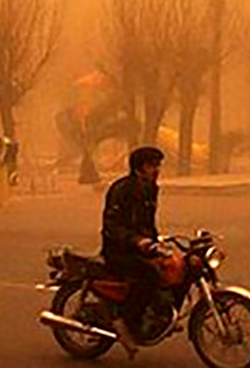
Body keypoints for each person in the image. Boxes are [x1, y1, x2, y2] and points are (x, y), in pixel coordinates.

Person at [100, 145, 164, 357]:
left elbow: (148, 222)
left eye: (158, 165)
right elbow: (112, 225)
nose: (156, 169)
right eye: (152, 165)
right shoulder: (122, 189)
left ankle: (158, 314)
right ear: (139, 167)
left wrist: (156, 242)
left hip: (141, 247)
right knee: (150, 275)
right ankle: (127, 321)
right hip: (119, 251)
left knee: (174, 267)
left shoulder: (151, 188)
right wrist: (136, 241)